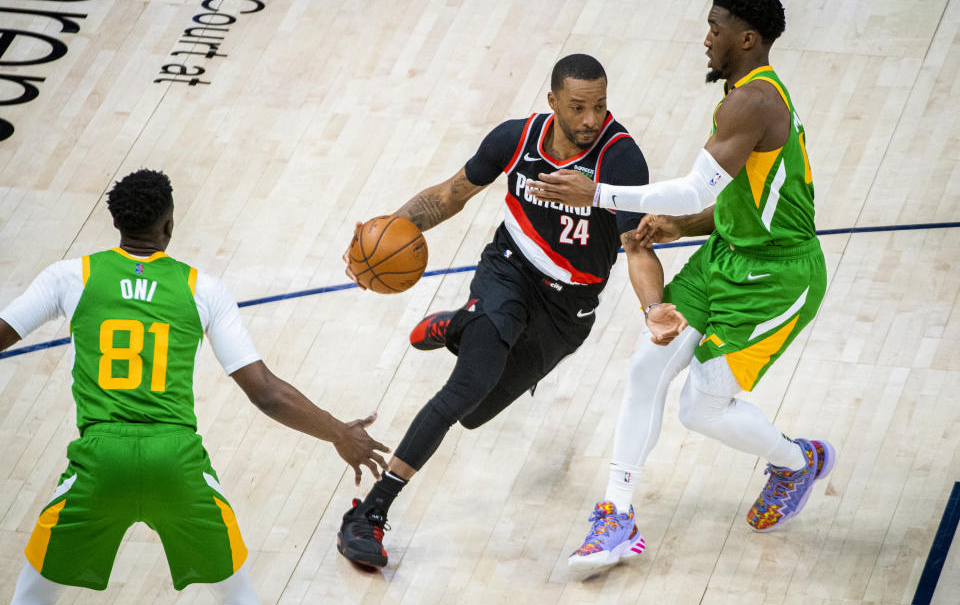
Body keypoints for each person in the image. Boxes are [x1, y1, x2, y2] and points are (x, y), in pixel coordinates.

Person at [527, 0, 834, 572]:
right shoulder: (745, 96)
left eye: (716, 29)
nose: (706, 39)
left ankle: (797, 462)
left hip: (777, 276)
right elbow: (733, 195)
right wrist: (680, 225)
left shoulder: (755, 100)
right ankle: (616, 514)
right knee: (647, 363)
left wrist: (602, 193)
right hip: (727, 255)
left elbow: (699, 182)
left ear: (747, 38)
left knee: (701, 408)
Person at [337, 53, 687, 567]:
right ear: (552, 103)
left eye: (600, 106)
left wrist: (653, 307)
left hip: (568, 308)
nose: (592, 119)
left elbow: (637, 245)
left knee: (475, 415)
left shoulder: (620, 160)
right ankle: (369, 514)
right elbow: (450, 195)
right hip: (508, 269)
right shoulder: (516, 139)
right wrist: (387, 229)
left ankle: (458, 324)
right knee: (466, 387)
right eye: (578, 107)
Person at [1, 170, 389, 604]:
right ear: (169, 225)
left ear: (117, 224)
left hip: (99, 461)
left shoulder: (70, 277)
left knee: (33, 593)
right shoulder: (201, 288)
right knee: (238, 593)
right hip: (177, 461)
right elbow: (266, 393)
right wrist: (340, 433)